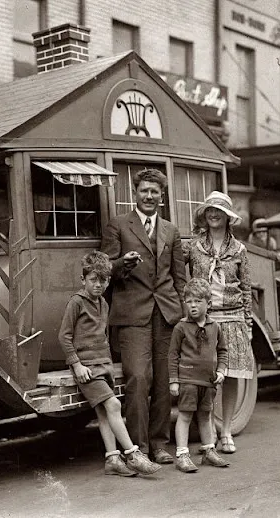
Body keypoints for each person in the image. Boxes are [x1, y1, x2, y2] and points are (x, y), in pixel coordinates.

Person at [101, 168, 186, 465]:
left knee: (164, 381)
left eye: (154, 192)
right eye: (143, 191)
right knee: (138, 378)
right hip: (132, 314)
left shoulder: (171, 231)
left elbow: (180, 278)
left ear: (161, 197)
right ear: (134, 194)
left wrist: (185, 315)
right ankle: (138, 448)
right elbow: (104, 269)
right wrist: (121, 263)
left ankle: (160, 444)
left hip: (166, 314)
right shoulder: (118, 226)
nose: (149, 196)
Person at [58, 251, 161, 477]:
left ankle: (112, 459)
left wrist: (108, 362)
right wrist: (76, 365)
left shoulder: (103, 303)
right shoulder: (76, 302)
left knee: (104, 414)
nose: (98, 285)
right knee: (114, 405)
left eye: (103, 280)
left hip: (103, 364)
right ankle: (133, 454)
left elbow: (102, 335)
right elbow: (64, 336)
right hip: (86, 368)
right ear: (83, 280)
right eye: (93, 279)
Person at [183, 191, 253, 455]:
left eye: (219, 211)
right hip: (205, 320)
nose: (213, 215)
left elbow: (245, 287)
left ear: (228, 217)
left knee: (232, 374)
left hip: (233, 317)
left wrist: (247, 323)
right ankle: (209, 429)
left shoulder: (239, 249)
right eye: (210, 210)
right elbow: (179, 273)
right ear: (204, 215)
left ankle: (226, 431)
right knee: (207, 376)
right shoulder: (193, 246)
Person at [169, 278, 230, 472]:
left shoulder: (215, 327)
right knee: (185, 416)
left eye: (198, 301)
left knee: (205, 415)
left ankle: (209, 451)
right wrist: (174, 380)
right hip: (188, 380)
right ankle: (182, 454)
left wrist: (221, 370)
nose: (193, 306)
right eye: (189, 301)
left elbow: (223, 351)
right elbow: (172, 355)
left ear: (208, 304)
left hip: (208, 381)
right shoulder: (181, 327)